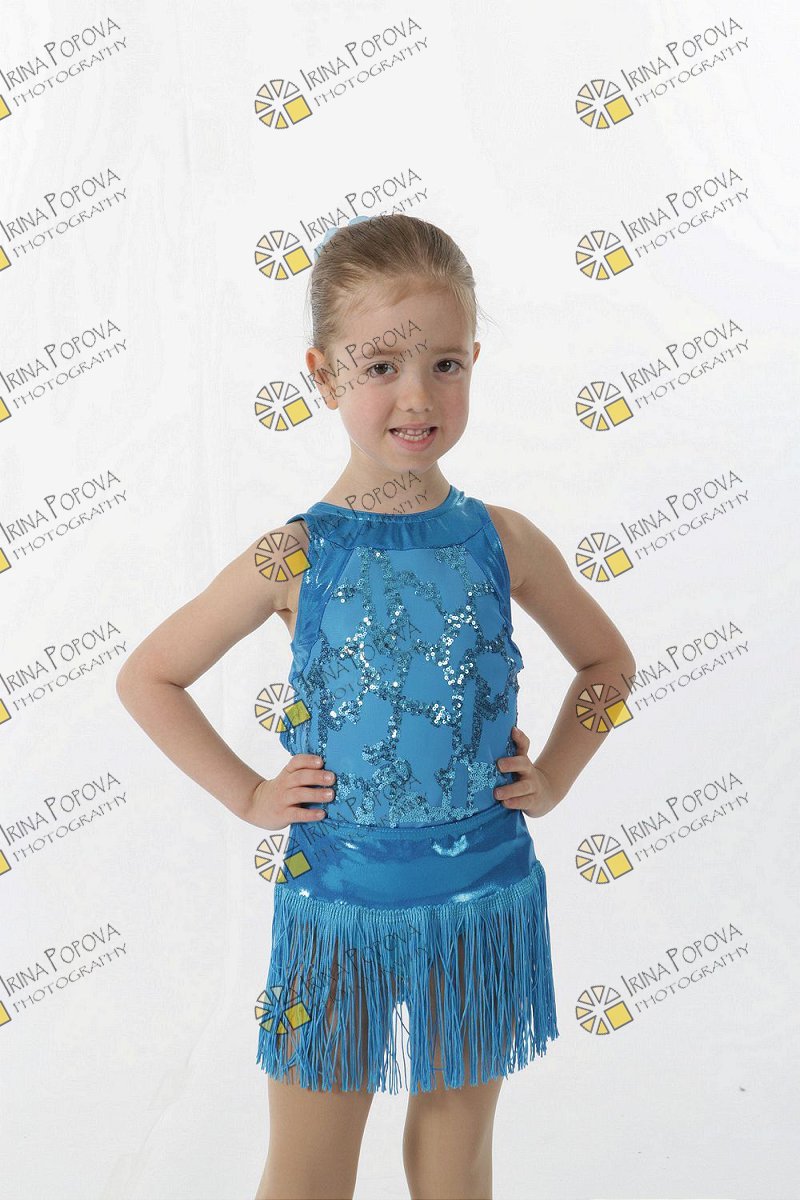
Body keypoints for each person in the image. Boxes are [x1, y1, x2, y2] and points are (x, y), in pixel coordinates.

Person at [116, 212, 636, 1200]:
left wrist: (558, 774)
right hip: (337, 906)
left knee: (455, 1168)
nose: (417, 395)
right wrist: (248, 795)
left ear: (474, 362)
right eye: (381, 366)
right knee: (308, 1172)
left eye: (445, 364)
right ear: (322, 375)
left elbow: (607, 663)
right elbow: (149, 677)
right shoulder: (295, 553)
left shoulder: (502, 539)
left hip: (480, 900)